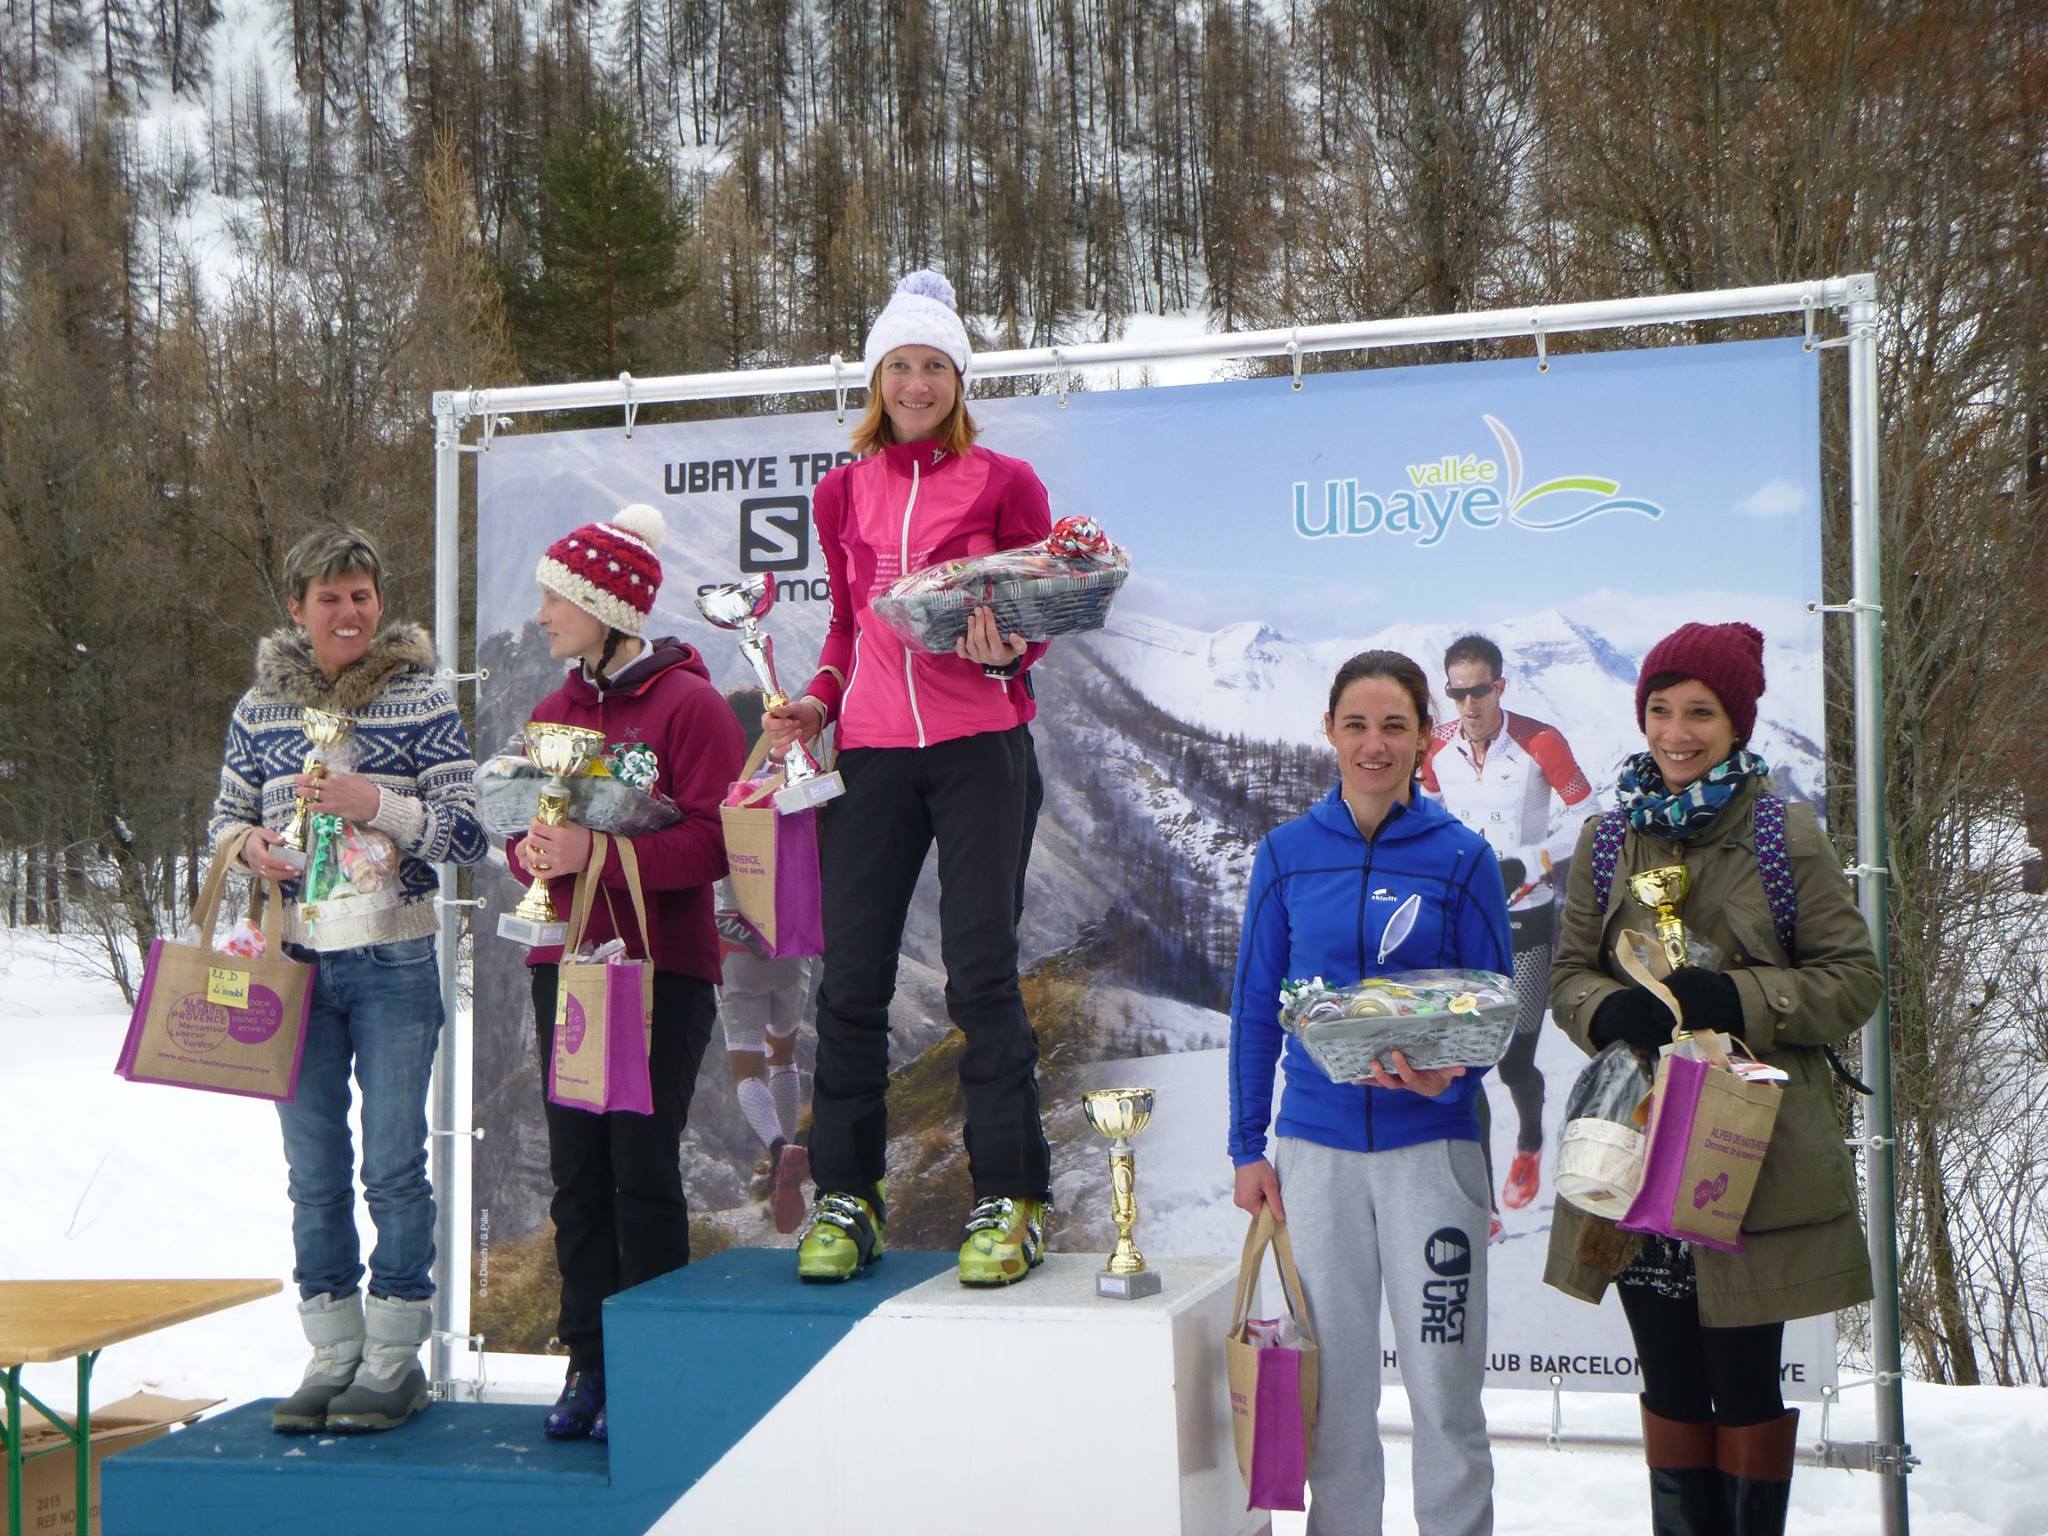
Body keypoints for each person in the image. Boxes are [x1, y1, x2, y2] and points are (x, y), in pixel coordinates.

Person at [1543, 621, 1879, 1536]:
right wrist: (1604, 1013)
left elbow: (1855, 982)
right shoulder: (1608, 839)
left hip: (1747, 1155)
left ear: (1737, 722)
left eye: (1701, 712)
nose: (1677, 732)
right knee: (1670, 1382)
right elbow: (1570, 972)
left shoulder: (1782, 831)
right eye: (1661, 709)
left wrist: (1732, 997)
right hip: (1634, 1149)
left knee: (1742, 1387)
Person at [762, 268, 1054, 1287]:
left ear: (958, 379)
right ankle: (847, 1194)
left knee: (979, 974)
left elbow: (1036, 618)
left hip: (982, 749)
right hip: (875, 755)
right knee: (850, 982)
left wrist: (1003, 652)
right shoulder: (841, 488)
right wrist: (817, 701)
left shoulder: (1005, 482)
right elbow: (845, 627)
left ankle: (1008, 1199)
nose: (917, 383)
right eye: (901, 366)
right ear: (876, 378)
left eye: (935, 366)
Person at [1229, 650, 1512, 1536]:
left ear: (1427, 735)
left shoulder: (1464, 859)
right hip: (1315, 1155)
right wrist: (1248, 1146)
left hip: (1433, 1153)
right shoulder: (1285, 855)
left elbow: (1493, 1007)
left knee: (1444, 1392)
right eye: (1357, 724)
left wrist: (1452, 1070)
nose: (1375, 744)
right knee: (1336, 1394)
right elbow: (1253, 1010)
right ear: (1330, 731)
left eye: (1395, 726)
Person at [211, 526, 487, 1435]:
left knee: (394, 1166)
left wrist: (378, 804)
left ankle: (393, 1353)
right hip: (293, 963)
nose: (348, 612)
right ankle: (332, 1347)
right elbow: (221, 821)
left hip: (395, 958)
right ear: (297, 608)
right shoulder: (259, 710)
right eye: (329, 598)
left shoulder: (422, 698)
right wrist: (252, 847)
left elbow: (466, 834)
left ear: (379, 602)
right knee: (314, 1170)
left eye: (361, 595)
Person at [506, 505, 746, 1441]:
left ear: (608, 608)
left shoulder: (689, 707)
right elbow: (526, 839)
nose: (542, 616)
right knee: (576, 1175)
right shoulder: (553, 711)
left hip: (662, 970)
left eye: (556, 597)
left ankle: (650, 1360)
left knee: (640, 1168)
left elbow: (716, 842)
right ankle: (589, 1361)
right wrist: (534, 852)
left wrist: (595, 853)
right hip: (561, 962)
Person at [1421, 633, 1595, 1223]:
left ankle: (1529, 1140)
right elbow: (1431, 816)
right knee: (1469, 1064)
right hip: (1466, 923)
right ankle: (1485, 1203)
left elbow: (1588, 814)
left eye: (1480, 689)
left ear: (1500, 685)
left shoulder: (1540, 740)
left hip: (1528, 917)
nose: (1469, 703)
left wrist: (1535, 859)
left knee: (1513, 1063)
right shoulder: (1436, 748)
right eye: (1457, 692)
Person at [715, 687, 819, 1234]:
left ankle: (780, 1146)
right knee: (785, 1056)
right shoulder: (792, 784)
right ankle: (794, 1142)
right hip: (792, 945)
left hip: (738, 946)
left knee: (746, 1066)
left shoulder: (729, 796)